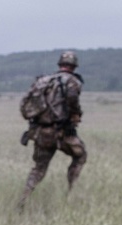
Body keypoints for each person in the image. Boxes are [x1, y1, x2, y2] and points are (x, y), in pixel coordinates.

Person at [18, 51, 87, 208]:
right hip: (62, 132)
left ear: (60, 65)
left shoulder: (43, 81)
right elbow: (72, 101)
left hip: (41, 132)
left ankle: (23, 198)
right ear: (74, 66)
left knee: (39, 168)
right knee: (80, 156)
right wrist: (75, 115)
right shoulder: (72, 81)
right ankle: (72, 192)